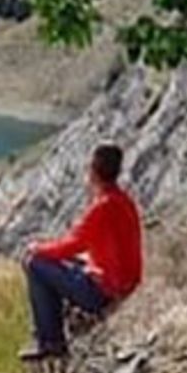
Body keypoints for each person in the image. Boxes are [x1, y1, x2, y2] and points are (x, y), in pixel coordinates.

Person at [18, 143, 143, 361]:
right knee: (61, 262)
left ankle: (50, 340)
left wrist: (37, 247)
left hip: (103, 292)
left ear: (93, 170)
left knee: (34, 262)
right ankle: (49, 333)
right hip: (123, 283)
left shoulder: (102, 206)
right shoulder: (124, 201)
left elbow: (73, 244)